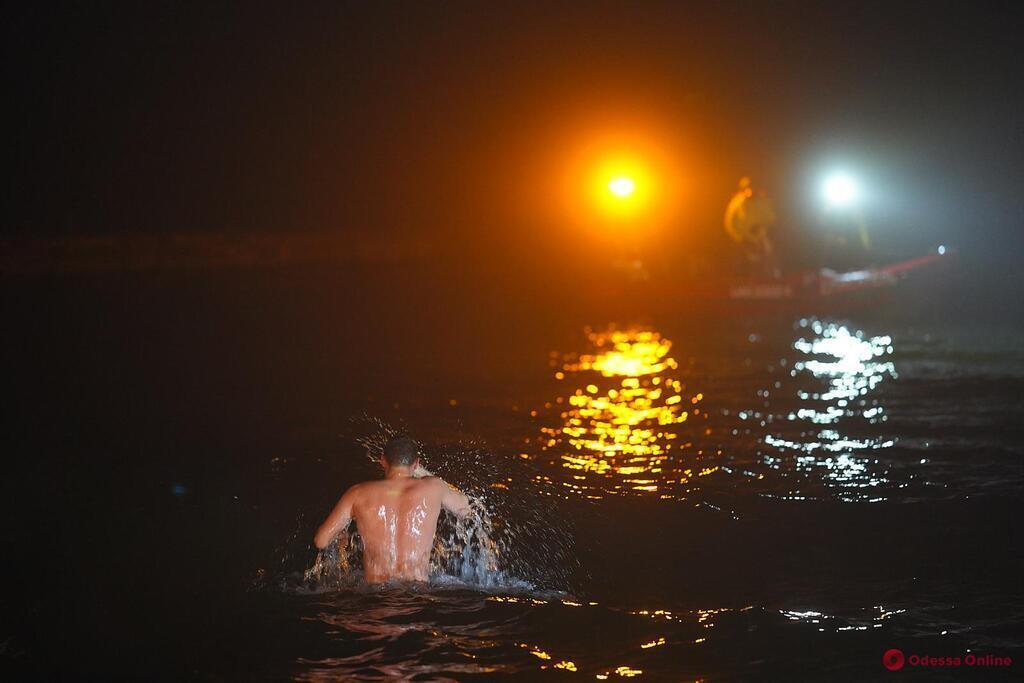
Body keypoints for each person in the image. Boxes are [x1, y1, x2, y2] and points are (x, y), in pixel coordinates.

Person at [313, 436, 471, 583]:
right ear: (416, 464)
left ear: (382, 460)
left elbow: (321, 541)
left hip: (376, 596)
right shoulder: (434, 487)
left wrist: (342, 535)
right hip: (417, 596)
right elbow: (465, 509)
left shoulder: (357, 493)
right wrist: (423, 472)